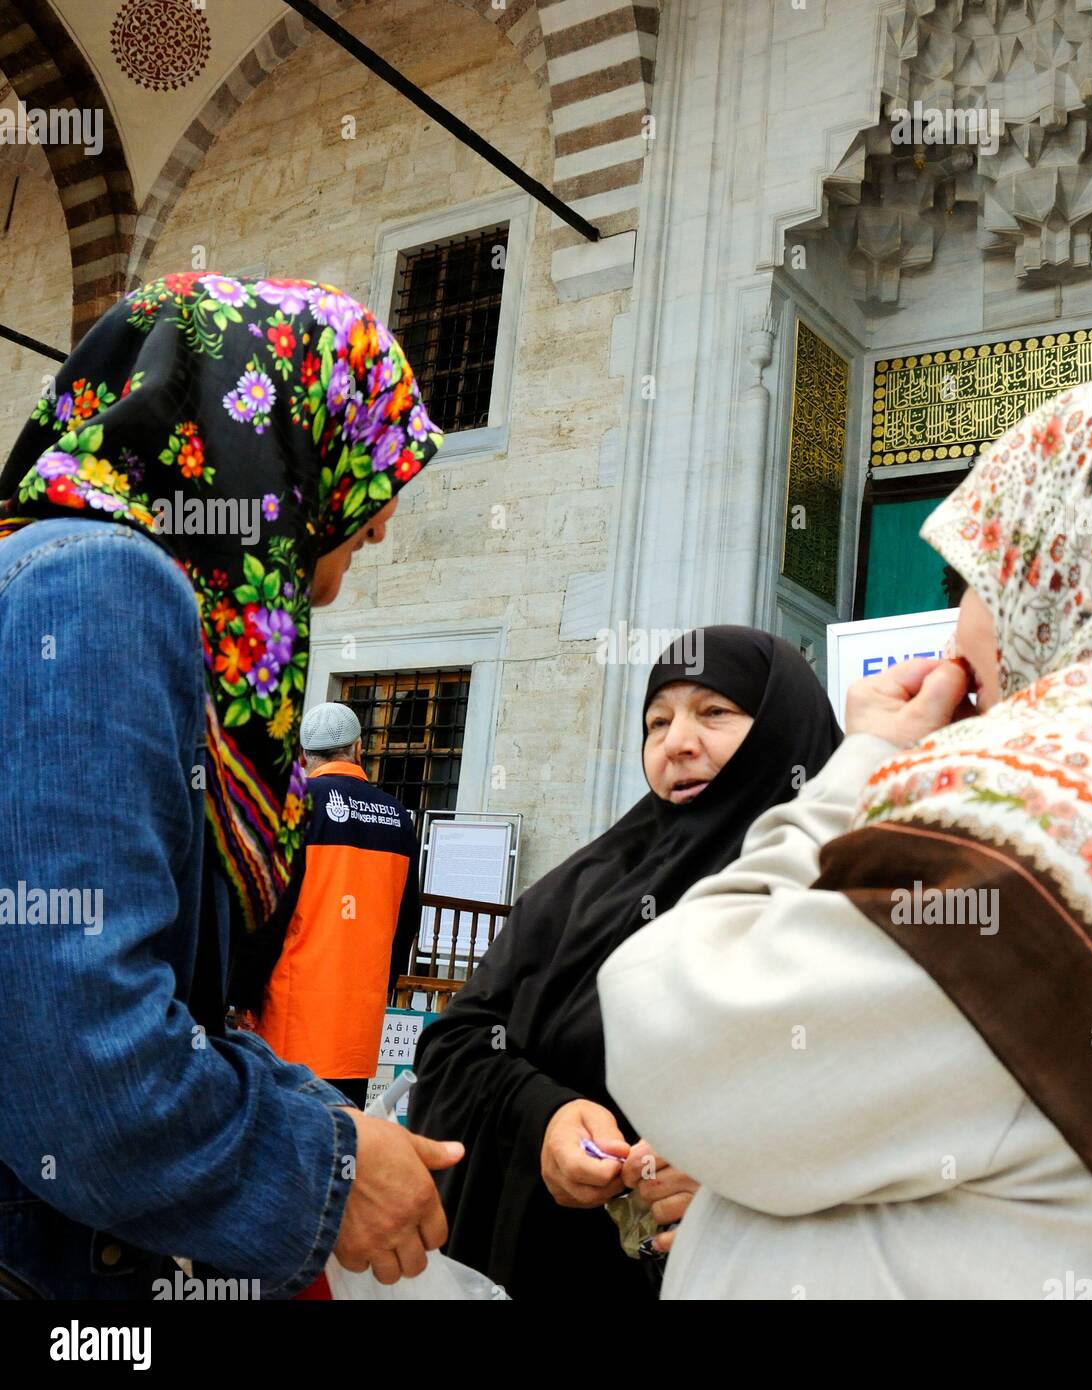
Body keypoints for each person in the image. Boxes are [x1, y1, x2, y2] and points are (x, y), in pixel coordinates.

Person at [599, 370, 1092, 1299]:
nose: (959, 632)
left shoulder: (1047, 836)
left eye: (975, 581)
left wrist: (863, 764)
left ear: (1072, 573)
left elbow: (675, 1037)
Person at [0, 272, 460, 1298]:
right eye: (363, 457)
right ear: (271, 438)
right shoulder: (100, 585)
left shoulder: (66, 574)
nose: (380, 524)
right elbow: (85, 1077)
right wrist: (328, 1170)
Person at [408, 627, 843, 1299]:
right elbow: (456, 1042)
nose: (678, 742)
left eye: (715, 712)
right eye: (657, 722)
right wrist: (544, 1117)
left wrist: (744, 1185)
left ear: (784, 729)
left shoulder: (846, 895)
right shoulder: (584, 889)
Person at [230, 701, 423, 1110]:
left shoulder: (293, 806)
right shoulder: (398, 818)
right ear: (358, 750)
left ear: (303, 756)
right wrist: (382, 986)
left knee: (287, 1138)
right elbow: (407, 920)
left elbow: (266, 911)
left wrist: (242, 992)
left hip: (291, 1013)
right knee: (342, 1133)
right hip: (358, 1019)